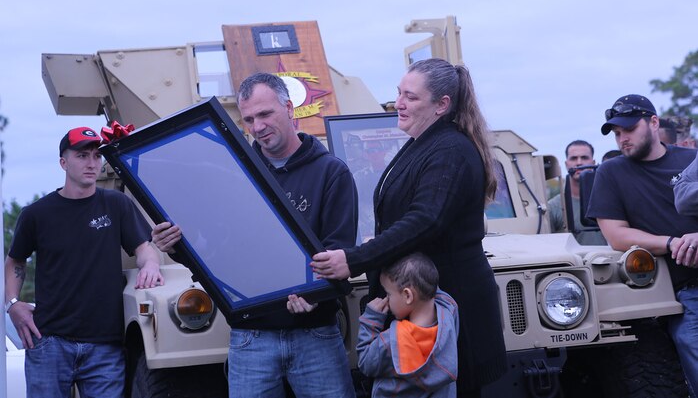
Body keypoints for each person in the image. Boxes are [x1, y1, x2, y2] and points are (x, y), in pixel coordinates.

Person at [152, 73, 358, 398]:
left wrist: (315, 295)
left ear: (289, 108)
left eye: (265, 114)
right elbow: (217, 252)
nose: (257, 126)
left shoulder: (331, 173)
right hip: (251, 339)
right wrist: (176, 246)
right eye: (248, 119)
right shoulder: (233, 176)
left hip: (315, 334)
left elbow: (339, 249)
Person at [311, 58, 507, 398]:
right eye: (398, 94)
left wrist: (354, 259)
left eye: (411, 97)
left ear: (441, 105)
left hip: (450, 304)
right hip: (425, 302)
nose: (399, 103)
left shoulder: (450, 149)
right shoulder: (426, 144)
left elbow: (426, 219)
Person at [4, 126, 164, 398]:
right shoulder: (37, 214)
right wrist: (12, 304)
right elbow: (15, 260)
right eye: (82, 156)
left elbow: (144, 247)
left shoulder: (117, 205)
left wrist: (151, 264)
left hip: (105, 346)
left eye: (95, 156)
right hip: (49, 342)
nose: (92, 163)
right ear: (63, 162)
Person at [586, 94, 698, 397]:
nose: (623, 138)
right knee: (691, 341)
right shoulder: (611, 173)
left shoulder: (691, 161)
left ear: (653, 122)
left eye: (629, 129)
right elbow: (616, 235)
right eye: (617, 133)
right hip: (679, 292)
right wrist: (672, 243)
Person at [357, 252, 459, 398]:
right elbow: (436, 291)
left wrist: (371, 318)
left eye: (389, 294)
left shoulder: (391, 342)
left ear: (407, 296)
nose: (386, 299)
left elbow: (366, 362)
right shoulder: (449, 312)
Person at [547, 140, 607, 245]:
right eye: (573, 158)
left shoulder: (609, 200)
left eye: (584, 157)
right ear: (566, 164)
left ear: (593, 163)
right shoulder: (553, 206)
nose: (579, 162)